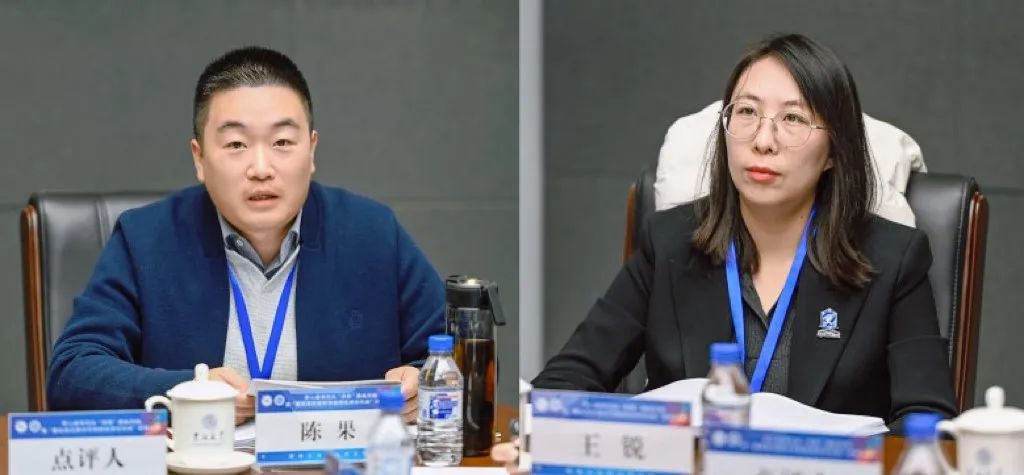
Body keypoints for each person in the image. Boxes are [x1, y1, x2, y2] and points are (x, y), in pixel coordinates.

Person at [531, 33, 957, 427]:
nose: (763, 141)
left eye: (793, 118)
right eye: (747, 112)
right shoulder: (669, 242)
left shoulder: (892, 258)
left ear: (833, 151)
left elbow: (926, 418)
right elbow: (566, 381)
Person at [46, 46, 445, 423]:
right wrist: (186, 392)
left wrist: (422, 382)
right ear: (200, 158)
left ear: (311, 150)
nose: (261, 168)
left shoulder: (373, 234)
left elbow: (450, 354)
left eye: (282, 142)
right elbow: (72, 371)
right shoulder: (145, 240)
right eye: (236, 144)